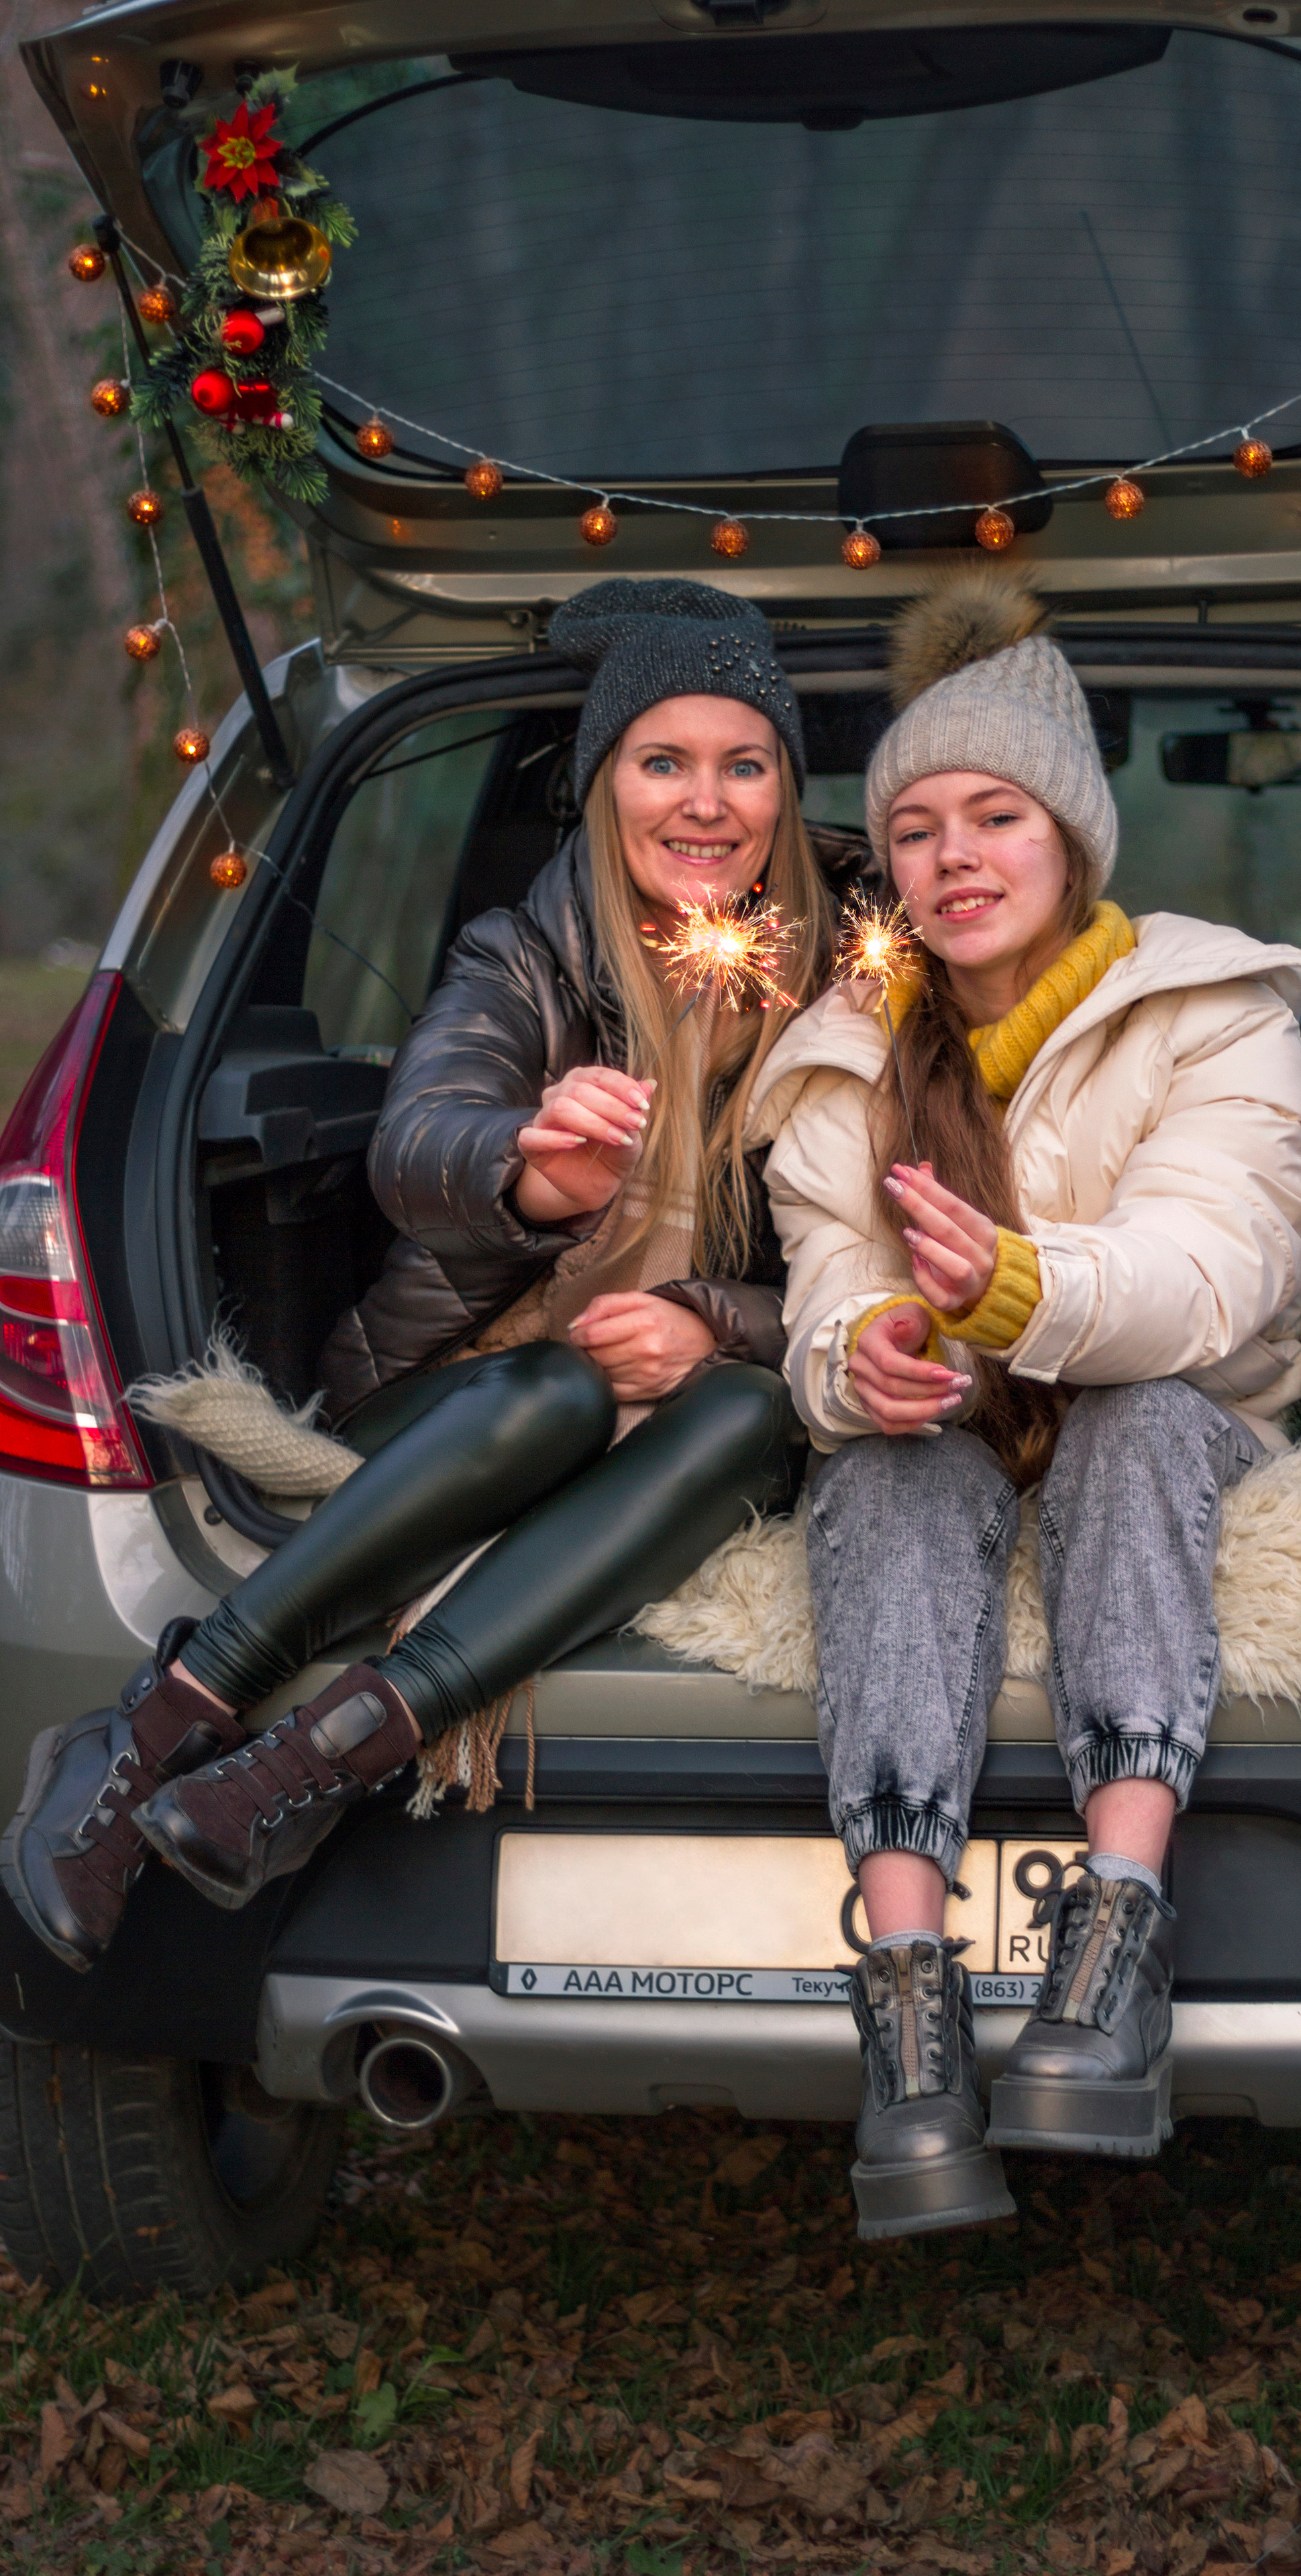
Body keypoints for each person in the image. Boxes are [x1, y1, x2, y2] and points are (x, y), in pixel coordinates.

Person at [3, 579, 852, 1976]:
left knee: (756, 1411)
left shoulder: (851, 981)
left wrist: (713, 1320)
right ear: (601, 787)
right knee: (551, 1391)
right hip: (468, 1409)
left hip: (699, 1423)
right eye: (662, 762)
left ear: (781, 787)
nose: (705, 803)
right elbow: (415, 1144)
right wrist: (521, 1170)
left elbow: (882, 1264)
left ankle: (306, 1772)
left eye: (742, 764)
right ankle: (150, 1729)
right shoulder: (521, 955)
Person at [748, 568, 1301, 2238]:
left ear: (1070, 838)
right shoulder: (842, 1059)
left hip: (1165, 1400)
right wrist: (857, 1354)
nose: (950, 857)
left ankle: (1114, 1940)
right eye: (913, 828)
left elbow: (1214, 1270)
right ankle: (912, 2016)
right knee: (879, 1472)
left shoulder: (1208, 1013)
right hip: (955, 1432)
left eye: (990, 815)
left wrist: (1017, 1288)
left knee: (1140, 1422)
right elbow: (819, 1290)